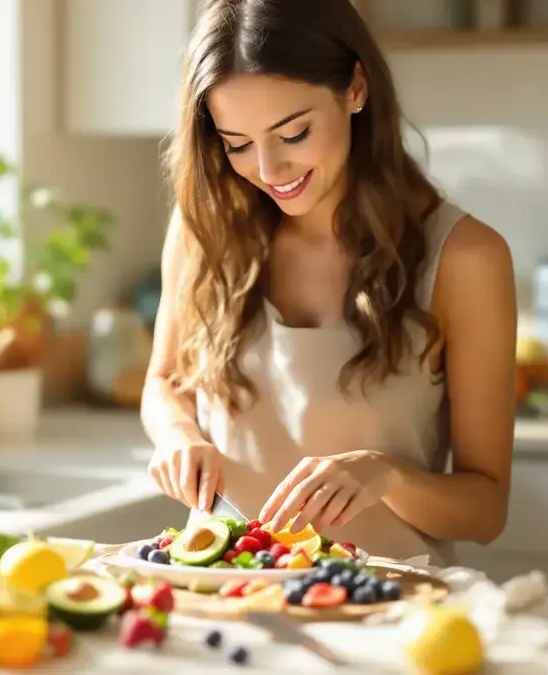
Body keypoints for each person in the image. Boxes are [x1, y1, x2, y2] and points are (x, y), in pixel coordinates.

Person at [140, 0, 516, 566]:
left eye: (293, 134)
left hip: (390, 607)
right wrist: (178, 436)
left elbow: (485, 511)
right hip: (223, 597)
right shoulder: (207, 230)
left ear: (356, 88)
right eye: (238, 143)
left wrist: (385, 476)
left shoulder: (466, 259)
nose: (269, 170)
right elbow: (165, 380)